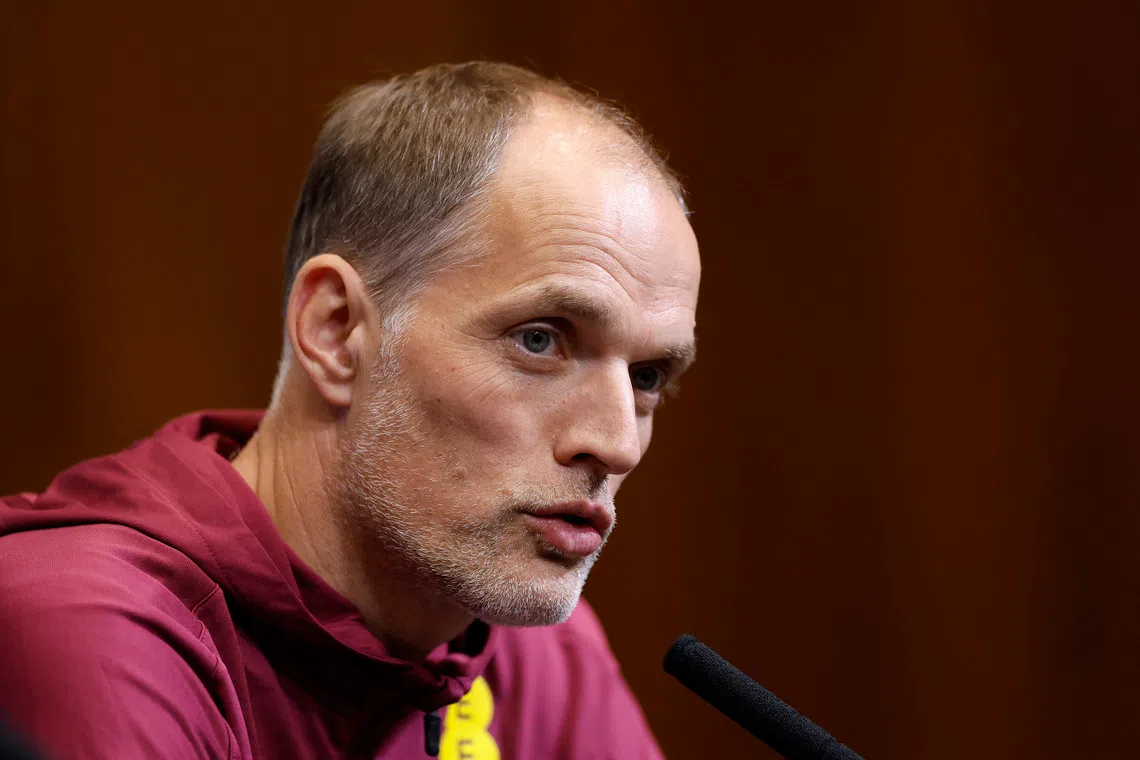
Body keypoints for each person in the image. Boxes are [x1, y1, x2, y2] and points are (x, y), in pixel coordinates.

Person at [0, 62, 701, 759]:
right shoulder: (91, 627)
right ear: (335, 332)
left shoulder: (536, 652)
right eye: (540, 340)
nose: (616, 444)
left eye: (647, 376)